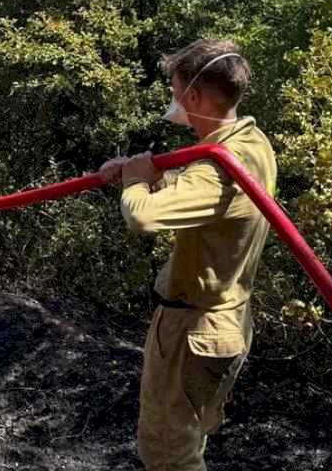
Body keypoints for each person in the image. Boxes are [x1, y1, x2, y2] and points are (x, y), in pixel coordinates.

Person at [98, 39, 277, 471]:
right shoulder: (252, 143)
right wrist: (150, 173)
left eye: (176, 90)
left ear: (194, 95)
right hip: (224, 321)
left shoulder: (222, 166)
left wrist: (135, 184)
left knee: (168, 454)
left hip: (192, 328)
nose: (174, 99)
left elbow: (142, 218)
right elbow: (207, 196)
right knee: (183, 447)